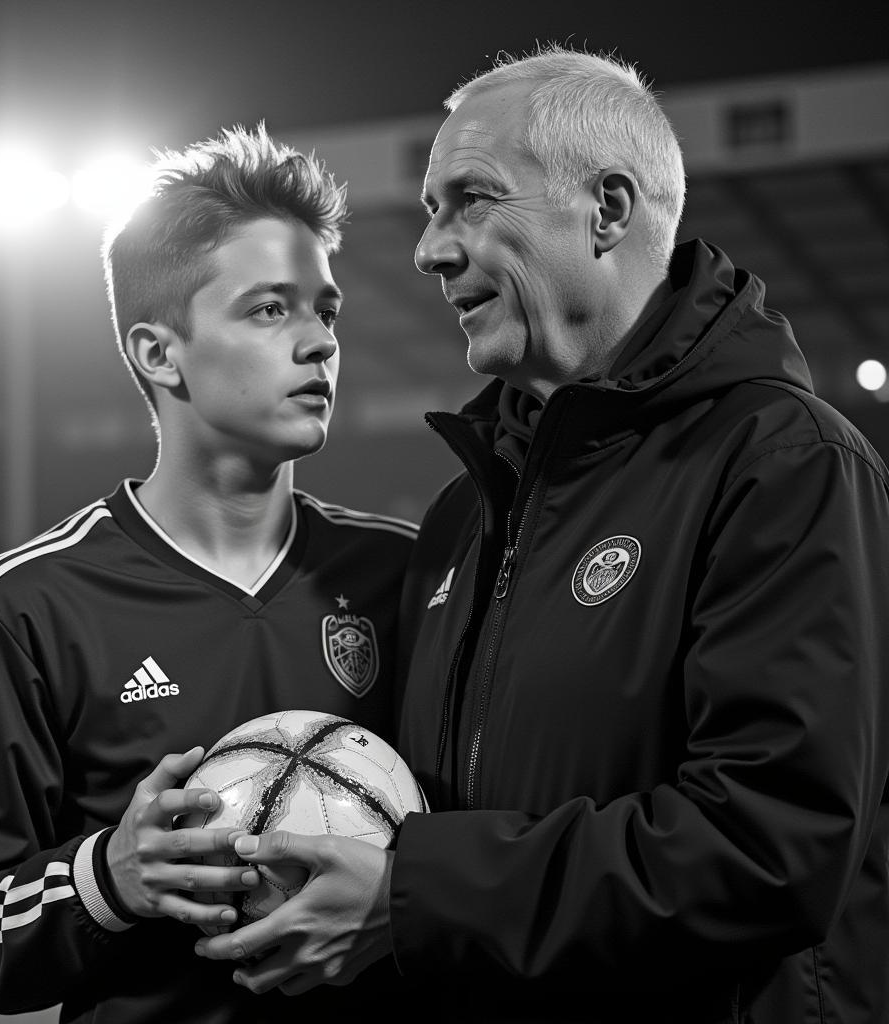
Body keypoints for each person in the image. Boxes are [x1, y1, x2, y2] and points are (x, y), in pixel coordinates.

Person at [196, 46, 889, 1021]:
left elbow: (772, 846)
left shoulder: (784, 463)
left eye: (470, 200)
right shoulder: (460, 516)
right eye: (432, 209)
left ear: (607, 210)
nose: (429, 249)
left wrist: (413, 892)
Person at [0, 124, 417, 1022]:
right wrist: (109, 877)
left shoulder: (407, 572)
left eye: (325, 311)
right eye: (268, 309)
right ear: (157, 352)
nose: (319, 343)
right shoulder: (31, 602)